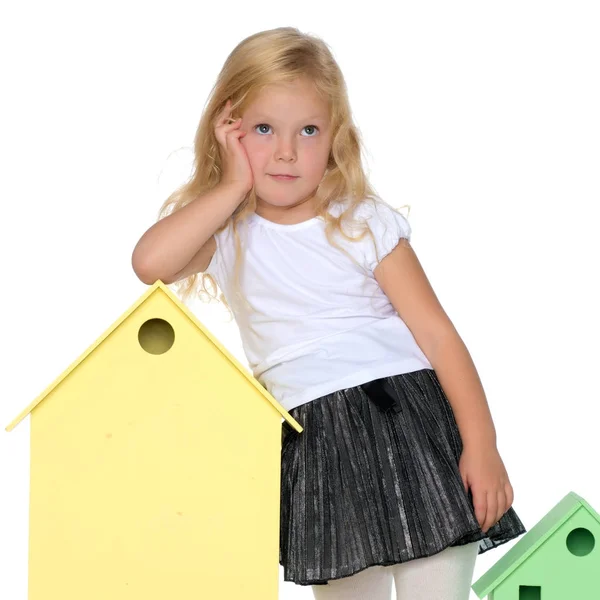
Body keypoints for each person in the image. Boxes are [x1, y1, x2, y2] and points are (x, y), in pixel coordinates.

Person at [131, 26, 526, 600]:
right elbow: (150, 264)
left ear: (335, 138)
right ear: (229, 130)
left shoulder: (360, 220)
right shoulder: (228, 234)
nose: (286, 151)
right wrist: (234, 181)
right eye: (263, 129)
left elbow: (439, 337)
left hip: (406, 418)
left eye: (308, 130)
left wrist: (481, 446)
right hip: (314, 441)